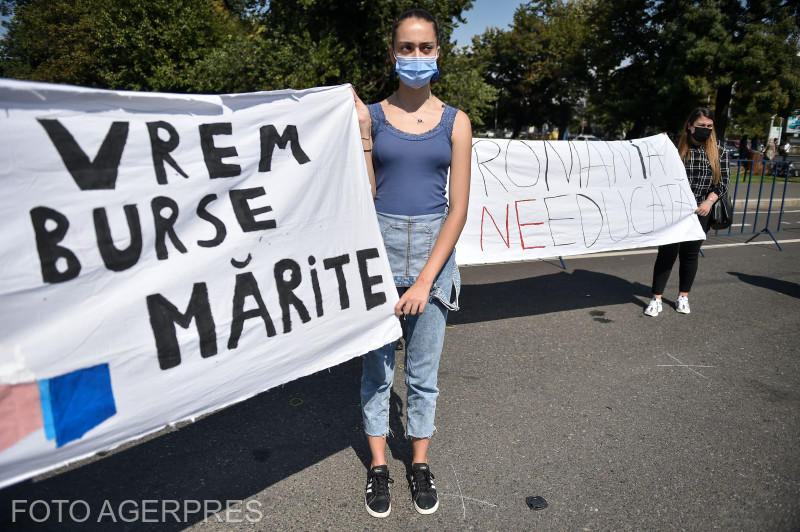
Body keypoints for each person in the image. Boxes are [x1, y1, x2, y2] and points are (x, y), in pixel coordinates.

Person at [352, 8, 471, 518]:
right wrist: (362, 134)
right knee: (376, 372)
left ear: (438, 52)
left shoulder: (456, 121)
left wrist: (425, 281)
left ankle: (419, 463)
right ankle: (379, 466)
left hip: (433, 260)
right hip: (377, 253)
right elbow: (363, 197)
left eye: (425, 48)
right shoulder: (372, 116)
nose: (416, 56)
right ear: (393, 54)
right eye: (407, 47)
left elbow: (457, 209)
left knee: (422, 376)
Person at [644, 107, 729, 316]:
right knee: (667, 254)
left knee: (690, 255)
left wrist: (709, 202)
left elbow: (723, 182)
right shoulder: (674, 147)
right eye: (701, 125)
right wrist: (657, 144)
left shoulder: (719, 151)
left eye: (709, 126)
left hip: (701, 211)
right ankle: (656, 298)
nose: (705, 129)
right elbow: (654, 169)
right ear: (690, 126)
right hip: (673, 210)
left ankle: (683, 296)